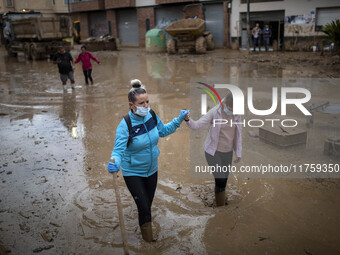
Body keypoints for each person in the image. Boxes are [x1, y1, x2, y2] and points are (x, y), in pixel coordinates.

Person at [107, 79, 190, 242]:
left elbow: (163, 131)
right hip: (133, 172)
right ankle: (148, 242)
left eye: (147, 102)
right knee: (144, 207)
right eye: (141, 103)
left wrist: (178, 120)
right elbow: (118, 150)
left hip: (152, 169)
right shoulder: (125, 125)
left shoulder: (151, 115)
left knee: (147, 205)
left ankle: (145, 230)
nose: (146, 106)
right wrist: (115, 161)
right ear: (131, 105)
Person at [185, 93, 242, 207]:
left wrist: (238, 153)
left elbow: (238, 134)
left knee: (223, 180)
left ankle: (220, 200)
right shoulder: (214, 112)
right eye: (230, 109)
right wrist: (187, 119)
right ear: (225, 103)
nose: (232, 111)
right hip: (213, 152)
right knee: (220, 179)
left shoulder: (237, 114)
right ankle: (220, 208)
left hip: (228, 152)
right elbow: (197, 125)